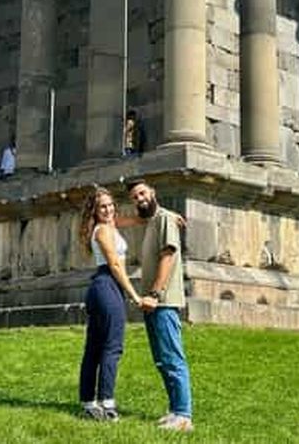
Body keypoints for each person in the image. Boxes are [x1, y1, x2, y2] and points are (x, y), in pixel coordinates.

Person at [128, 178, 193, 433]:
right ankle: (176, 409)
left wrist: (155, 293)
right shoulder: (154, 220)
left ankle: (184, 415)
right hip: (153, 303)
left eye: (142, 193)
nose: (139, 199)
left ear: (152, 192)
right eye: (135, 197)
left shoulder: (165, 219)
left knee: (172, 358)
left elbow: (169, 255)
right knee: (162, 359)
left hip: (162, 301)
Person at [78, 186, 143, 421]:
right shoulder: (103, 231)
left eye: (110, 205)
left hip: (102, 287)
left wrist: (156, 214)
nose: (108, 209)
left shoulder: (110, 225)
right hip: (107, 285)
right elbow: (115, 265)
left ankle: (88, 402)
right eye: (102, 207)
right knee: (112, 347)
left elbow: (132, 220)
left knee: (94, 348)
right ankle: (107, 403)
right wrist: (135, 296)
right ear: (95, 211)